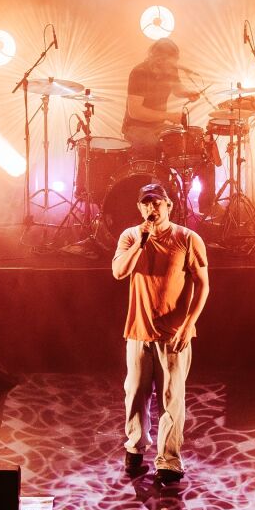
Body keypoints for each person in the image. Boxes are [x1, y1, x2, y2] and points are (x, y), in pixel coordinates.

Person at [111, 181, 210, 485]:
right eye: (146, 203)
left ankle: (168, 461)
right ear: (139, 207)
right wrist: (141, 242)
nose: (151, 208)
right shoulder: (130, 236)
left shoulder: (188, 238)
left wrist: (189, 324)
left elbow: (203, 285)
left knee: (171, 399)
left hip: (173, 334)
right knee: (135, 394)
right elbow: (119, 272)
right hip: (138, 331)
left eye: (156, 202)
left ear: (169, 205)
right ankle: (135, 448)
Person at [123, 38, 216, 215]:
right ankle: (149, 205)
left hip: (158, 126)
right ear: (159, 59)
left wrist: (188, 93)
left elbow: (177, 88)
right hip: (137, 127)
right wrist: (169, 116)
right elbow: (135, 111)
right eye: (171, 61)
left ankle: (207, 207)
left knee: (200, 152)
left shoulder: (170, 70)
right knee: (153, 149)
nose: (174, 65)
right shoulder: (139, 73)